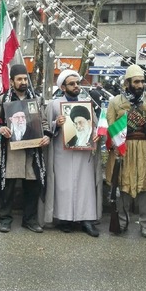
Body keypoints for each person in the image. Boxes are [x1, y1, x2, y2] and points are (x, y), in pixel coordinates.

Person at [0, 64, 50, 233]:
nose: (23, 82)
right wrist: (0, 129)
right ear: (12, 81)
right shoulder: (3, 99)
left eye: (25, 78)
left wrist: (47, 136)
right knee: (7, 187)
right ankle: (5, 219)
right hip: (11, 151)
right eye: (19, 79)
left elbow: (44, 122)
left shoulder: (37, 99)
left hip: (32, 151)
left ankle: (29, 220)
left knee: (32, 187)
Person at [42, 69, 101, 237]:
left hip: (84, 154)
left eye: (78, 83)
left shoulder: (86, 102)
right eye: (72, 84)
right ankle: (64, 219)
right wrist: (56, 123)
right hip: (63, 153)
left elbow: (95, 125)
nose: (76, 86)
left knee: (85, 186)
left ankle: (87, 220)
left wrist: (96, 133)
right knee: (64, 186)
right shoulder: (54, 104)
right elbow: (45, 126)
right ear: (62, 87)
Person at [105, 64, 146, 238]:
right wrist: (115, 145)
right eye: (136, 82)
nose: (140, 85)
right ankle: (121, 221)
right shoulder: (115, 102)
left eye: (142, 82)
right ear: (127, 83)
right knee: (123, 184)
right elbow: (110, 126)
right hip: (124, 148)